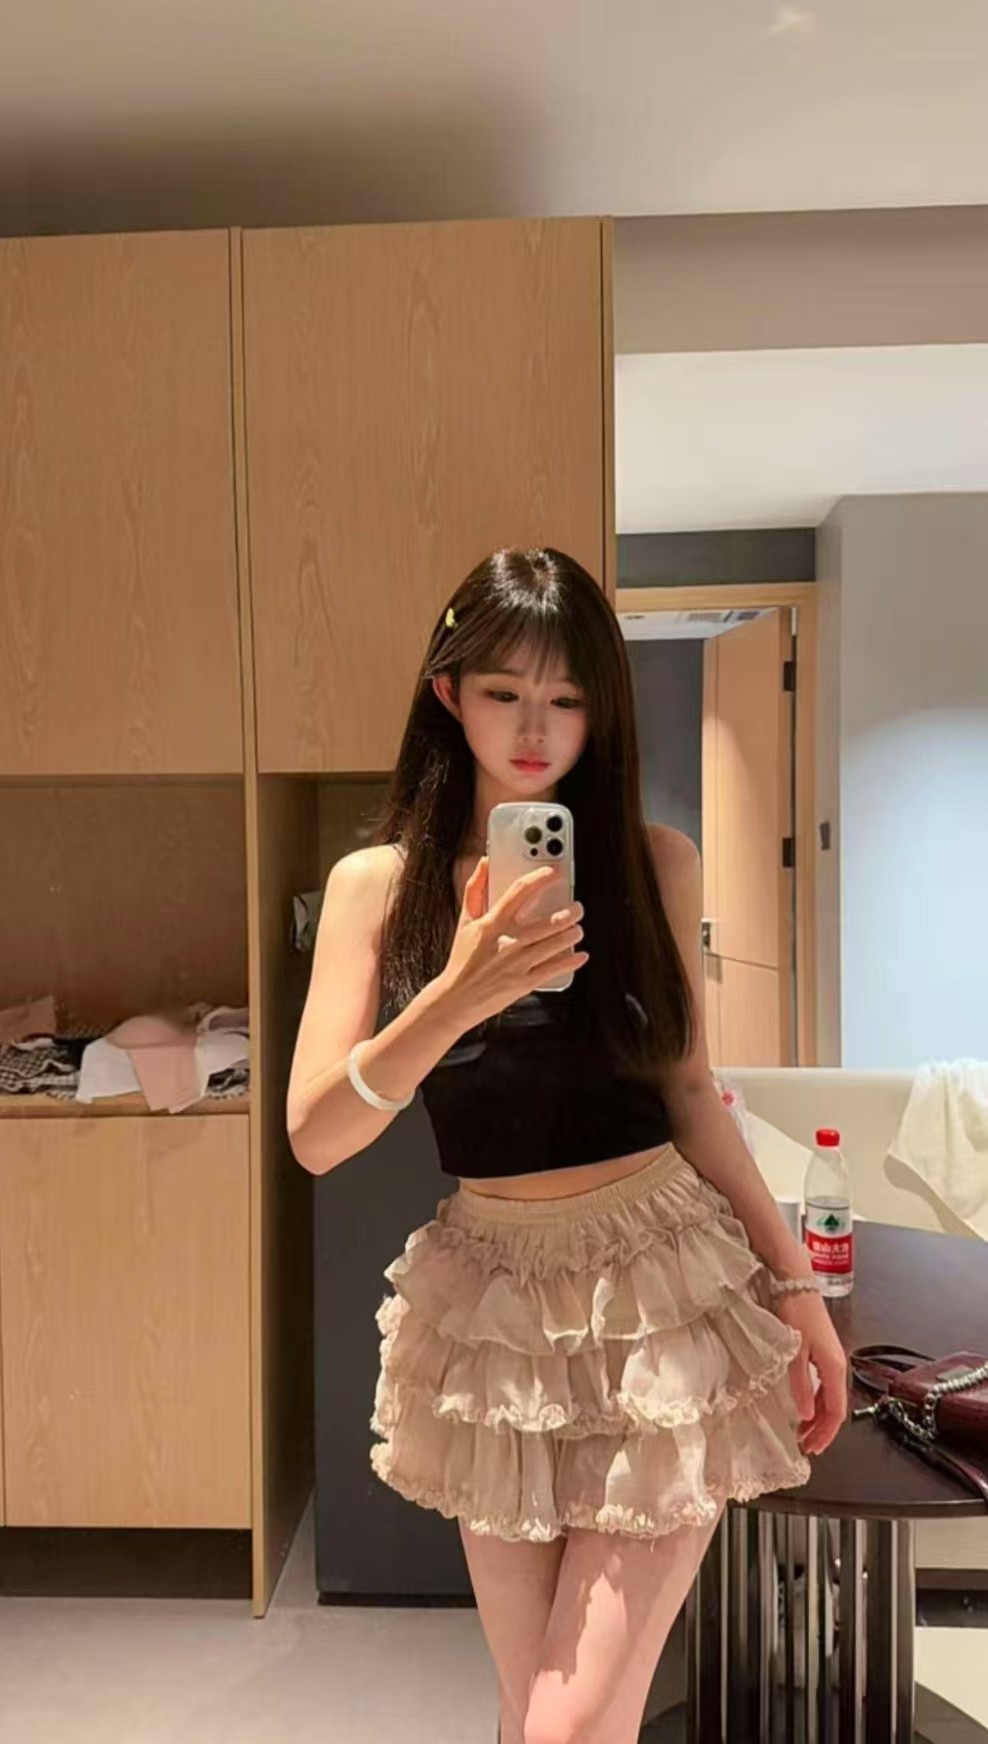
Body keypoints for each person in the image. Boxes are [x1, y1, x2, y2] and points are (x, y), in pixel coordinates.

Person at [287, 547, 848, 1744]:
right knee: (530, 1706)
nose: (536, 729)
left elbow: (692, 1094)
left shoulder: (655, 864)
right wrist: (454, 994)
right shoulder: (377, 886)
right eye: (503, 692)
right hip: (492, 1304)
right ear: (449, 692)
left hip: (665, 1285)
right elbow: (316, 1137)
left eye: (568, 697)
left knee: (565, 1724)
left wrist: (796, 1285)